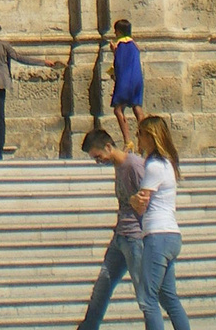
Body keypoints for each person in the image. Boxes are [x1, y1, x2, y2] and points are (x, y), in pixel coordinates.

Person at [76, 126, 146, 330]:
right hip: (120, 237)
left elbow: (150, 199)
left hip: (135, 237)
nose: (99, 161)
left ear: (108, 147)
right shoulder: (118, 166)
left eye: (98, 156)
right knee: (102, 286)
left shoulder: (134, 165)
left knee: (144, 294)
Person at [0, 19, 60, 159]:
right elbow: (20, 58)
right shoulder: (4, 45)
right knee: (0, 118)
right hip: (0, 84)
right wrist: (43, 62)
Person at [129, 114, 190, 330]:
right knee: (168, 296)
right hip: (171, 234)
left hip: (158, 235)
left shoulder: (154, 165)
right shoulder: (168, 163)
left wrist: (131, 198)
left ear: (151, 137)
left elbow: (141, 202)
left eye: (141, 134)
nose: (138, 138)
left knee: (147, 298)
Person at [110, 19, 145, 145]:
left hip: (125, 80)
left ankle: (128, 141)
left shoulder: (119, 44)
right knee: (137, 108)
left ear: (118, 31)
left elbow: (120, 63)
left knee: (118, 110)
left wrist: (114, 52)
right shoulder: (135, 45)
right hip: (137, 80)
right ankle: (144, 139)